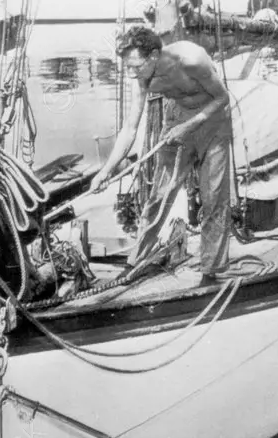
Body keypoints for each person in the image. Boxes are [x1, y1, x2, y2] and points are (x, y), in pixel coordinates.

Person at [90, 25, 233, 285]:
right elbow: (130, 128)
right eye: (128, 67)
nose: (132, 74)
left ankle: (210, 271)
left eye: (136, 66)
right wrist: (105, 171)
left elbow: (223, 98)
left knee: (214, 197)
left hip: (213, 122)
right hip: (177, 114)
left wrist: (189, 126)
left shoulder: (192, 60)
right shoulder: (142, 76)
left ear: (154, 56)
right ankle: (135, 261)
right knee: (160, 193)